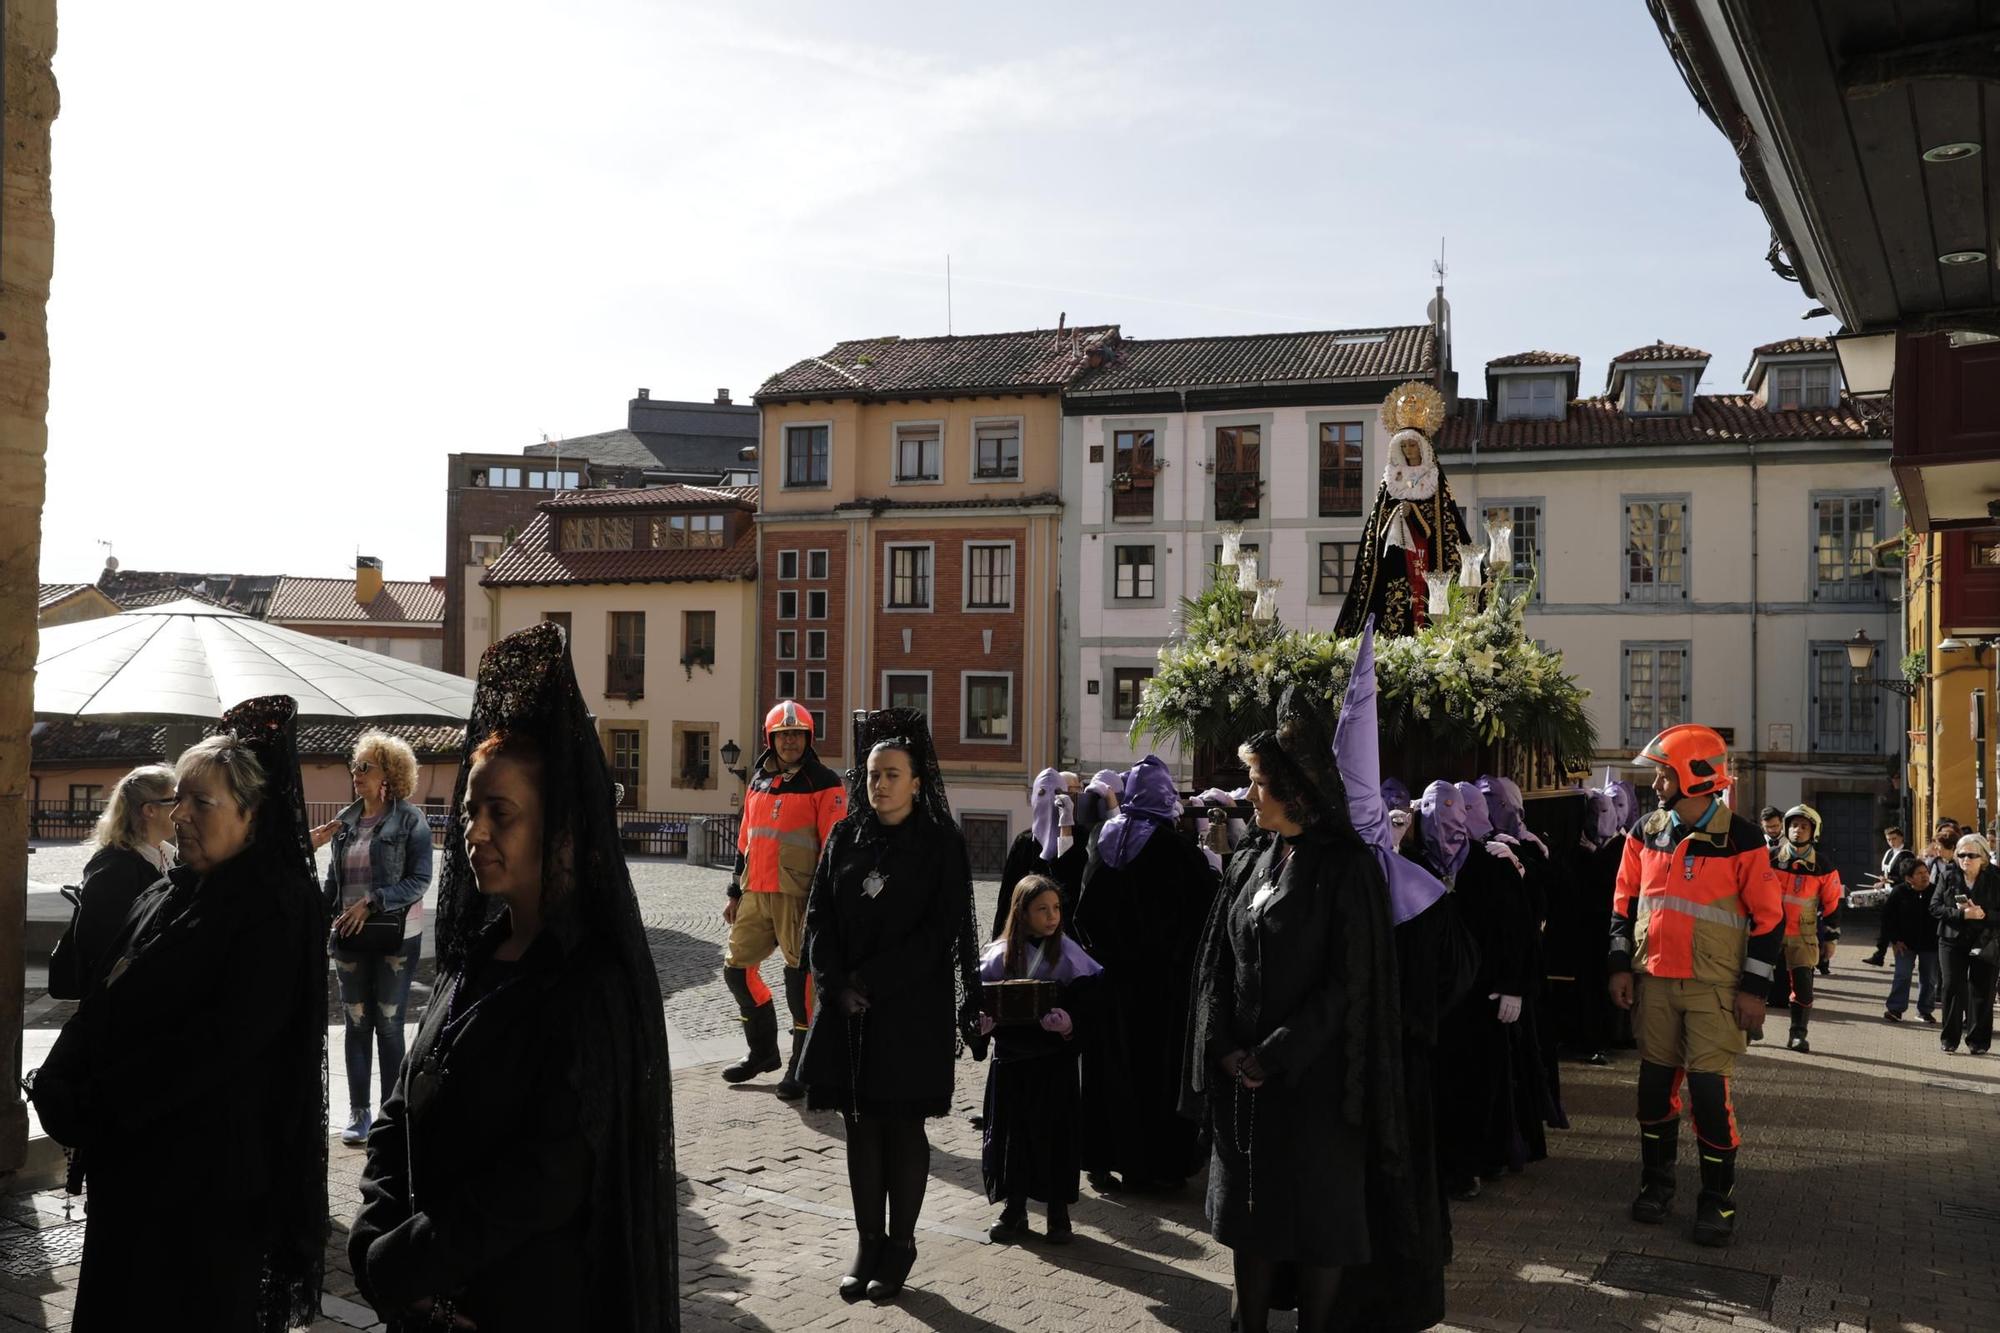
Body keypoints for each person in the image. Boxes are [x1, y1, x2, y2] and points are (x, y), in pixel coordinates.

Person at [350, 623, 679, 1331]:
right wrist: (373, 1230)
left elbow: (545, 1177)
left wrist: (407, 1260)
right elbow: (403, 1104)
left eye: (501, 812)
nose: (475, 831)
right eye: (471, 809)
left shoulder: (591, 983)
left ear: (560, 831)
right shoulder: (474, 955)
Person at [30, 697, 328, 1331]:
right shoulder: (168, 890)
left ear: (251, 815)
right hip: (134, 1168)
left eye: (202, 803)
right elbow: (107, 991)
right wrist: (60, 1074)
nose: (180, 816)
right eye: (177, 801)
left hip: (203, 1188)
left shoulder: (276, 908)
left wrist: (97, 1104)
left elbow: (220, 1043)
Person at [1183, 688, 1417, 1333]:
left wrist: (1277, 1051)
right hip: (1246, 1086)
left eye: (1258, 782)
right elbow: (1218, 963)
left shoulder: (1346, 870)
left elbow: (1352, 982)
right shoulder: (1254, 858)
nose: (1248, 794)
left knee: (1318, 1226)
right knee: (1250, 1224)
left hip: (1316, 1087)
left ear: (1296, 789)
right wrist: (1227, 1044)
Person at [797, 709, 984, 1303]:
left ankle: (900, 1245)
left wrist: (871, 980)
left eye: (891, 775)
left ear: (916, 782)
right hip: (849, 1010)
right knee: (860, 1126)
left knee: (902, 1127)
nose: (878, 784)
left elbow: (941, 930)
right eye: (872, 774)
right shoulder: (846, 835)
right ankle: (867, 1240)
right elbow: (820, 915)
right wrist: (833, 984)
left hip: (909, 1010)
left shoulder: (940, 844)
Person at [1609, 723, 1782, 1248]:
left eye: (1664, 773)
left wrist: (1755, 991)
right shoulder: (1645, 831)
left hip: (1715, 990)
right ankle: (1657, 1185)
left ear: (1694, 776)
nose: (1657, 782)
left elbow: (1770, 920)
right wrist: (1619, 966)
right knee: (1653, 1094)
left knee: (1709, 1097)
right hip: (1655, 984)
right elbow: (1622, 903)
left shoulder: (1743, 839)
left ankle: (1717, 1200)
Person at [1073, 754, 1216, 1194]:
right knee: (1154, 1072)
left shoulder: (1101, 837)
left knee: (1106, 1069)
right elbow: (1204, 913)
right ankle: (1154, 1166)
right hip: (1160, 987)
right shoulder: (1177, 850)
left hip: (1108, 979)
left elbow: (1084, 911)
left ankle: (1101, 1158)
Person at [722, 700, 847, 1098]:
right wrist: (734, 891)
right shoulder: (758, 779)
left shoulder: (825, 782)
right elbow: (746, 838)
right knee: (736, 970)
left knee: (801, 983)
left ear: (807, 738)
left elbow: (834, 845)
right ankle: (763, 1053)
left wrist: (825, 903)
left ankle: (801, 1066)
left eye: (796, 734)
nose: (789, 741)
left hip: (800, 897)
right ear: (771, 738)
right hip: (756, 892)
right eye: (782, 734)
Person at [317, 731, 434, 1146]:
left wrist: (373, 901)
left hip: (393, 937)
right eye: (355, 766)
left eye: (365, 766)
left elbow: (420, 879)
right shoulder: (344, 824)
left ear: (389, 773)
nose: (356, 773)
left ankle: (390, 1112)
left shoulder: (410, 820)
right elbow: (333, 885)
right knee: (356, 1023)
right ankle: (360, 1111)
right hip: (348, 937)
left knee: (387, 1024)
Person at [977, 874, 1102, 1246]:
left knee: (1055, 1138)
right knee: (1013, 1138)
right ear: (1022, 912)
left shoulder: (1069, 955)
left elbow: (1091, 1012)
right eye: (1042, 909)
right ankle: (1014, 1209)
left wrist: (1069, 1027)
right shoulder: (997, 957)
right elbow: (978, 1006)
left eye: (1057, 908)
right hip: (1012, 1063)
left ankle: (1058, 1213)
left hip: (1053, 1065)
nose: (1052, 916)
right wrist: (982, 1028)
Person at [65, 764, 177, 995]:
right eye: (175, 800)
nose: (183, 809)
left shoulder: (168, 853)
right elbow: (98, 945)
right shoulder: (115, 868)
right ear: (150, 810)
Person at [1768, 805, 1841, 1053]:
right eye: (1793, 825)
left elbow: (1832, 902)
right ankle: (1749, 1028)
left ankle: (1798, 1035)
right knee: (1755, 982)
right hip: (1768, 932)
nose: (1797, 830)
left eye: (1804, 826)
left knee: (1803, 987)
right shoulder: (1770, 857)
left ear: (1814, 831)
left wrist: (1831, 938)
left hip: (1803, 935)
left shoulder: (1823, 865)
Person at [992, 768, 1088, 942]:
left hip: (1066, 941)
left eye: (1057, 792)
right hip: (1027, 939)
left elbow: (1074, 885)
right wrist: (1000, 941)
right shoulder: (1024, 842)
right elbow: (1008, 897)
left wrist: (1065, 830)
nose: (1050, 798)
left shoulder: (1080, 836)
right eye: (1042, 793)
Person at [1931, 833, 2000, 1056]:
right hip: (1952, 939)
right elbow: (1935, 907)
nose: (1965, 859)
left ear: (1983, 857)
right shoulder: (1948, 875)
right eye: (1961, 855)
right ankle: (1950, 1039)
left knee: (1982, 990)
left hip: (1985, 939)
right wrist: (1962, 914)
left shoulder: (1996, 878)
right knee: (1952, 986)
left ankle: (1978, 1041)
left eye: (1971, 855)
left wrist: (1983, 913)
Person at [1882, 856, 1940, 1024]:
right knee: (1902, 975)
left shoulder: (1936, 891)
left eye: (1926, 872)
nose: (1925, 876)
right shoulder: (1899, 892)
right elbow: (1888, 918)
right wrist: (1895, 940)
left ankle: (1925, 1011)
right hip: (1904, 944)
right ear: (1908, 878)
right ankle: (1895, 1009)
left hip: (1930, 944)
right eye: (1919, 873)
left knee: (1929, 979)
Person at [1864, 827, 1916, 967]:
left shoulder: (1906, 855)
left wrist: (1888, 880)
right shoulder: (1889, 853)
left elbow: (1906, 875)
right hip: (1889, 893)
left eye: (1894, 839)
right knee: (1887, 925)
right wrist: (1882, 881)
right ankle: (1881, 955)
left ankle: (1891, 956)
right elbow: (1886, 872)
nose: (1891, 842)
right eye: (1888, 839)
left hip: (1901, 894)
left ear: (1901, 838)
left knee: (1895, 926)